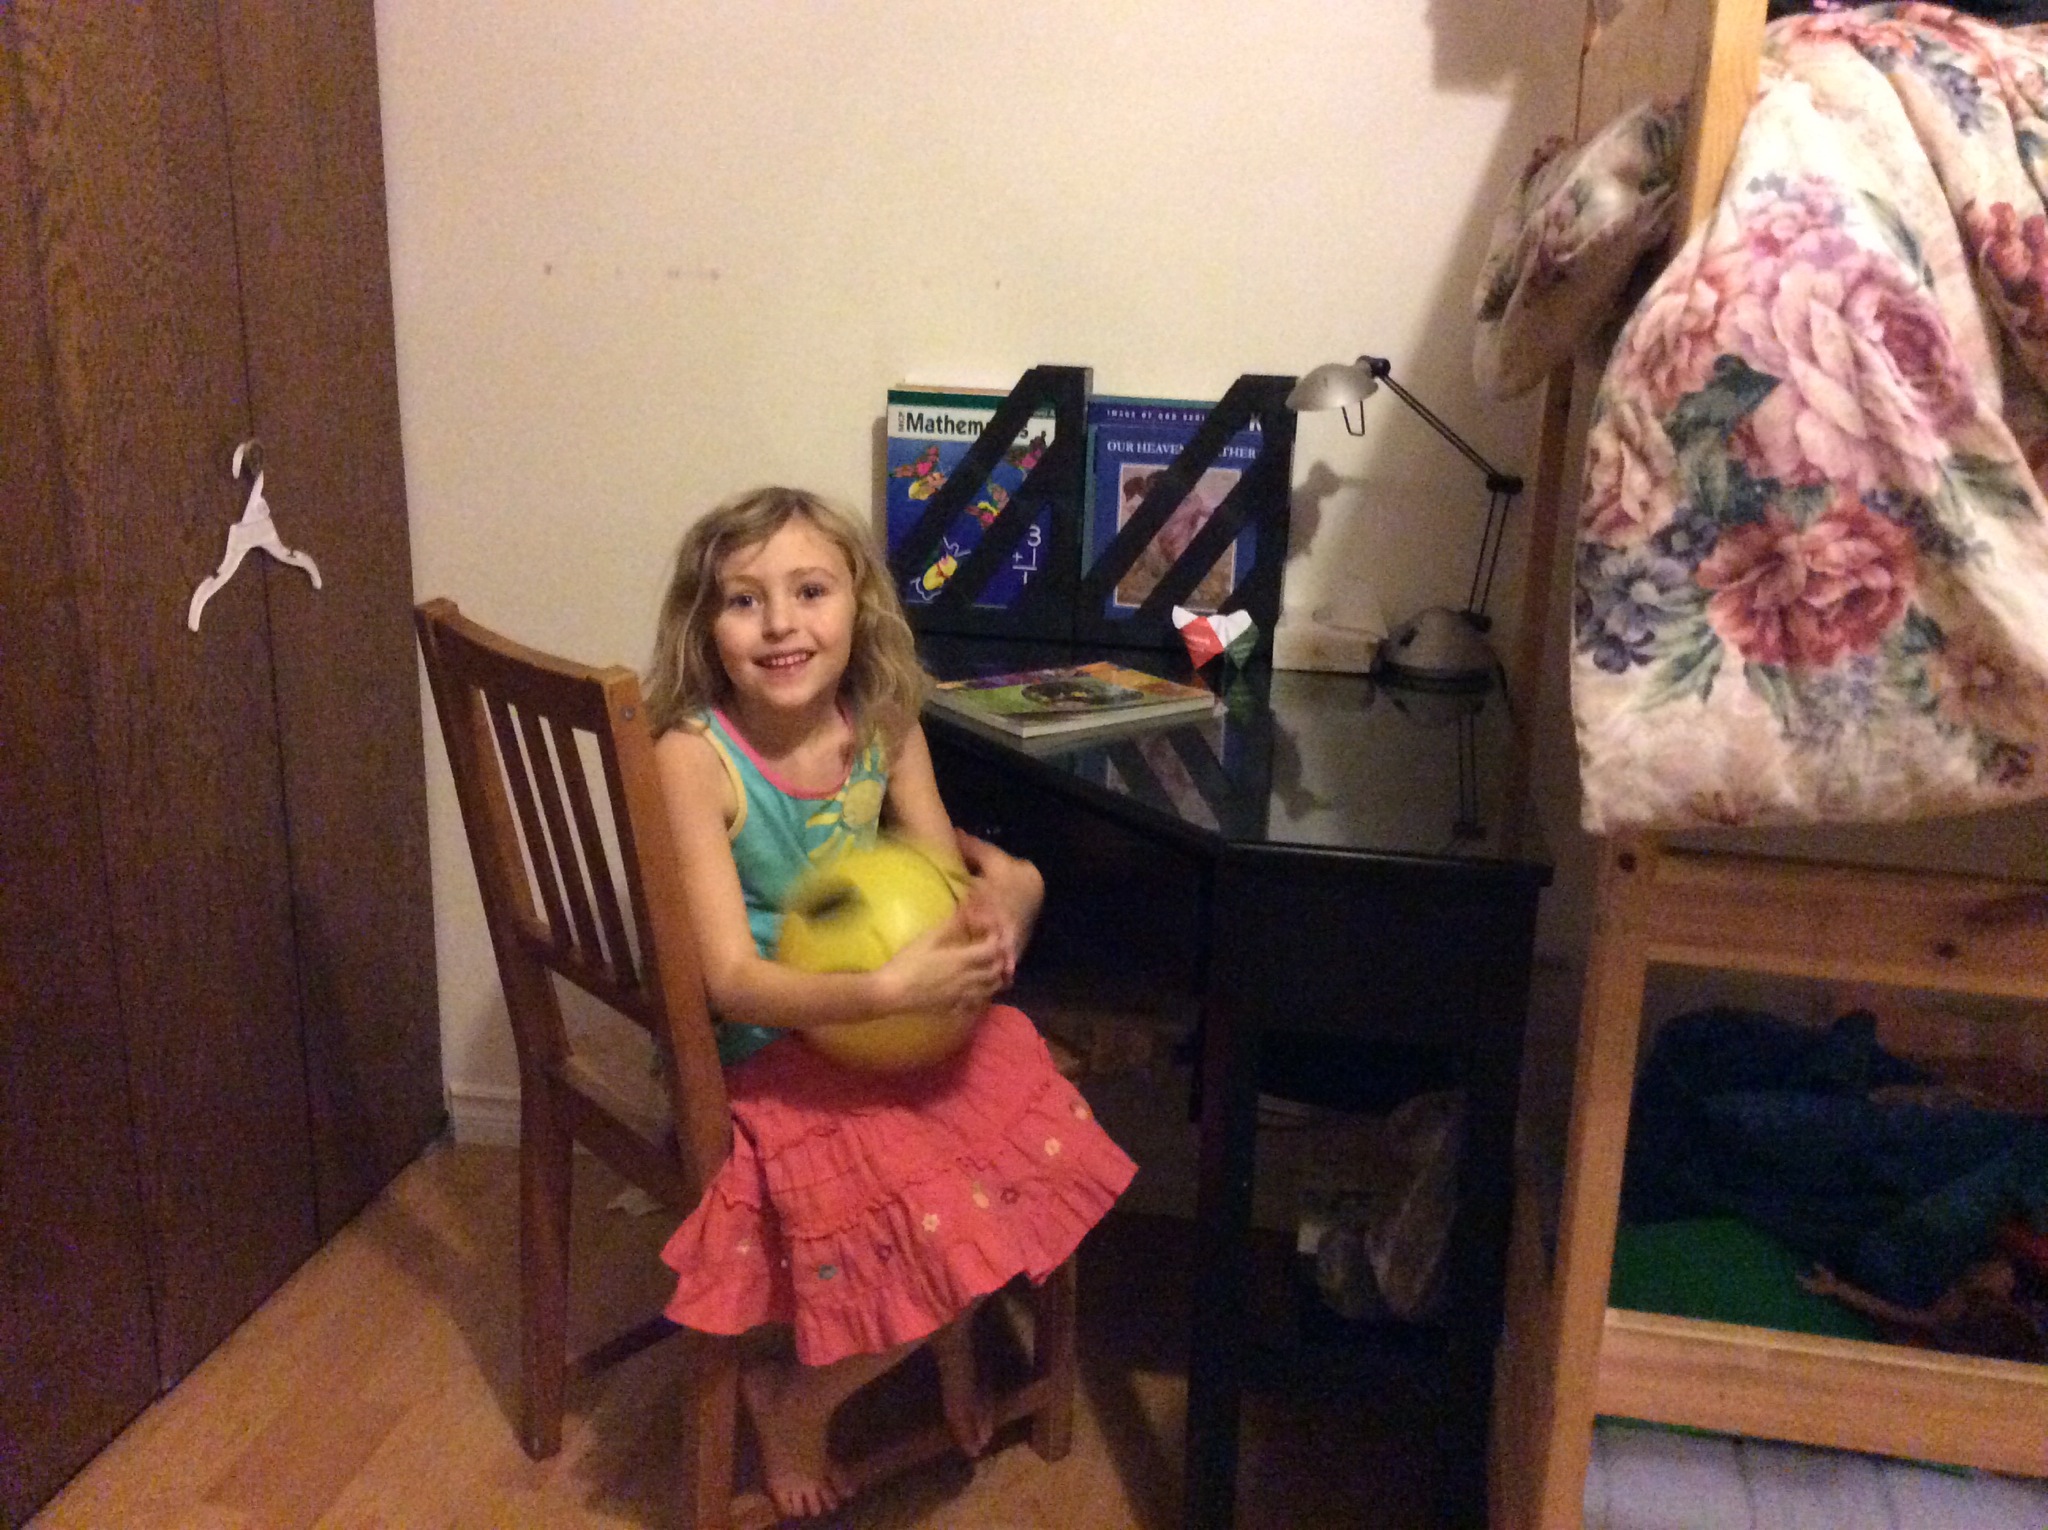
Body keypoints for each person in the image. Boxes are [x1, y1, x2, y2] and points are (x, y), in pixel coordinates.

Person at [644, 486, 1137, 1520]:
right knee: (939, 1198)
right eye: (744, 600)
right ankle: (793, 1400)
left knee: (1024, 1149)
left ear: (858, 605)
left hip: (893, 1028)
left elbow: (939, 872)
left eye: (809, 591)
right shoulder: (692, 757)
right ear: (704, 626)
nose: (780, 625)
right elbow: (728, 979)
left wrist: (1010, 897)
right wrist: (879, 992)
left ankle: (945, 1340)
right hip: (771, 1045)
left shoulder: (883, 722)